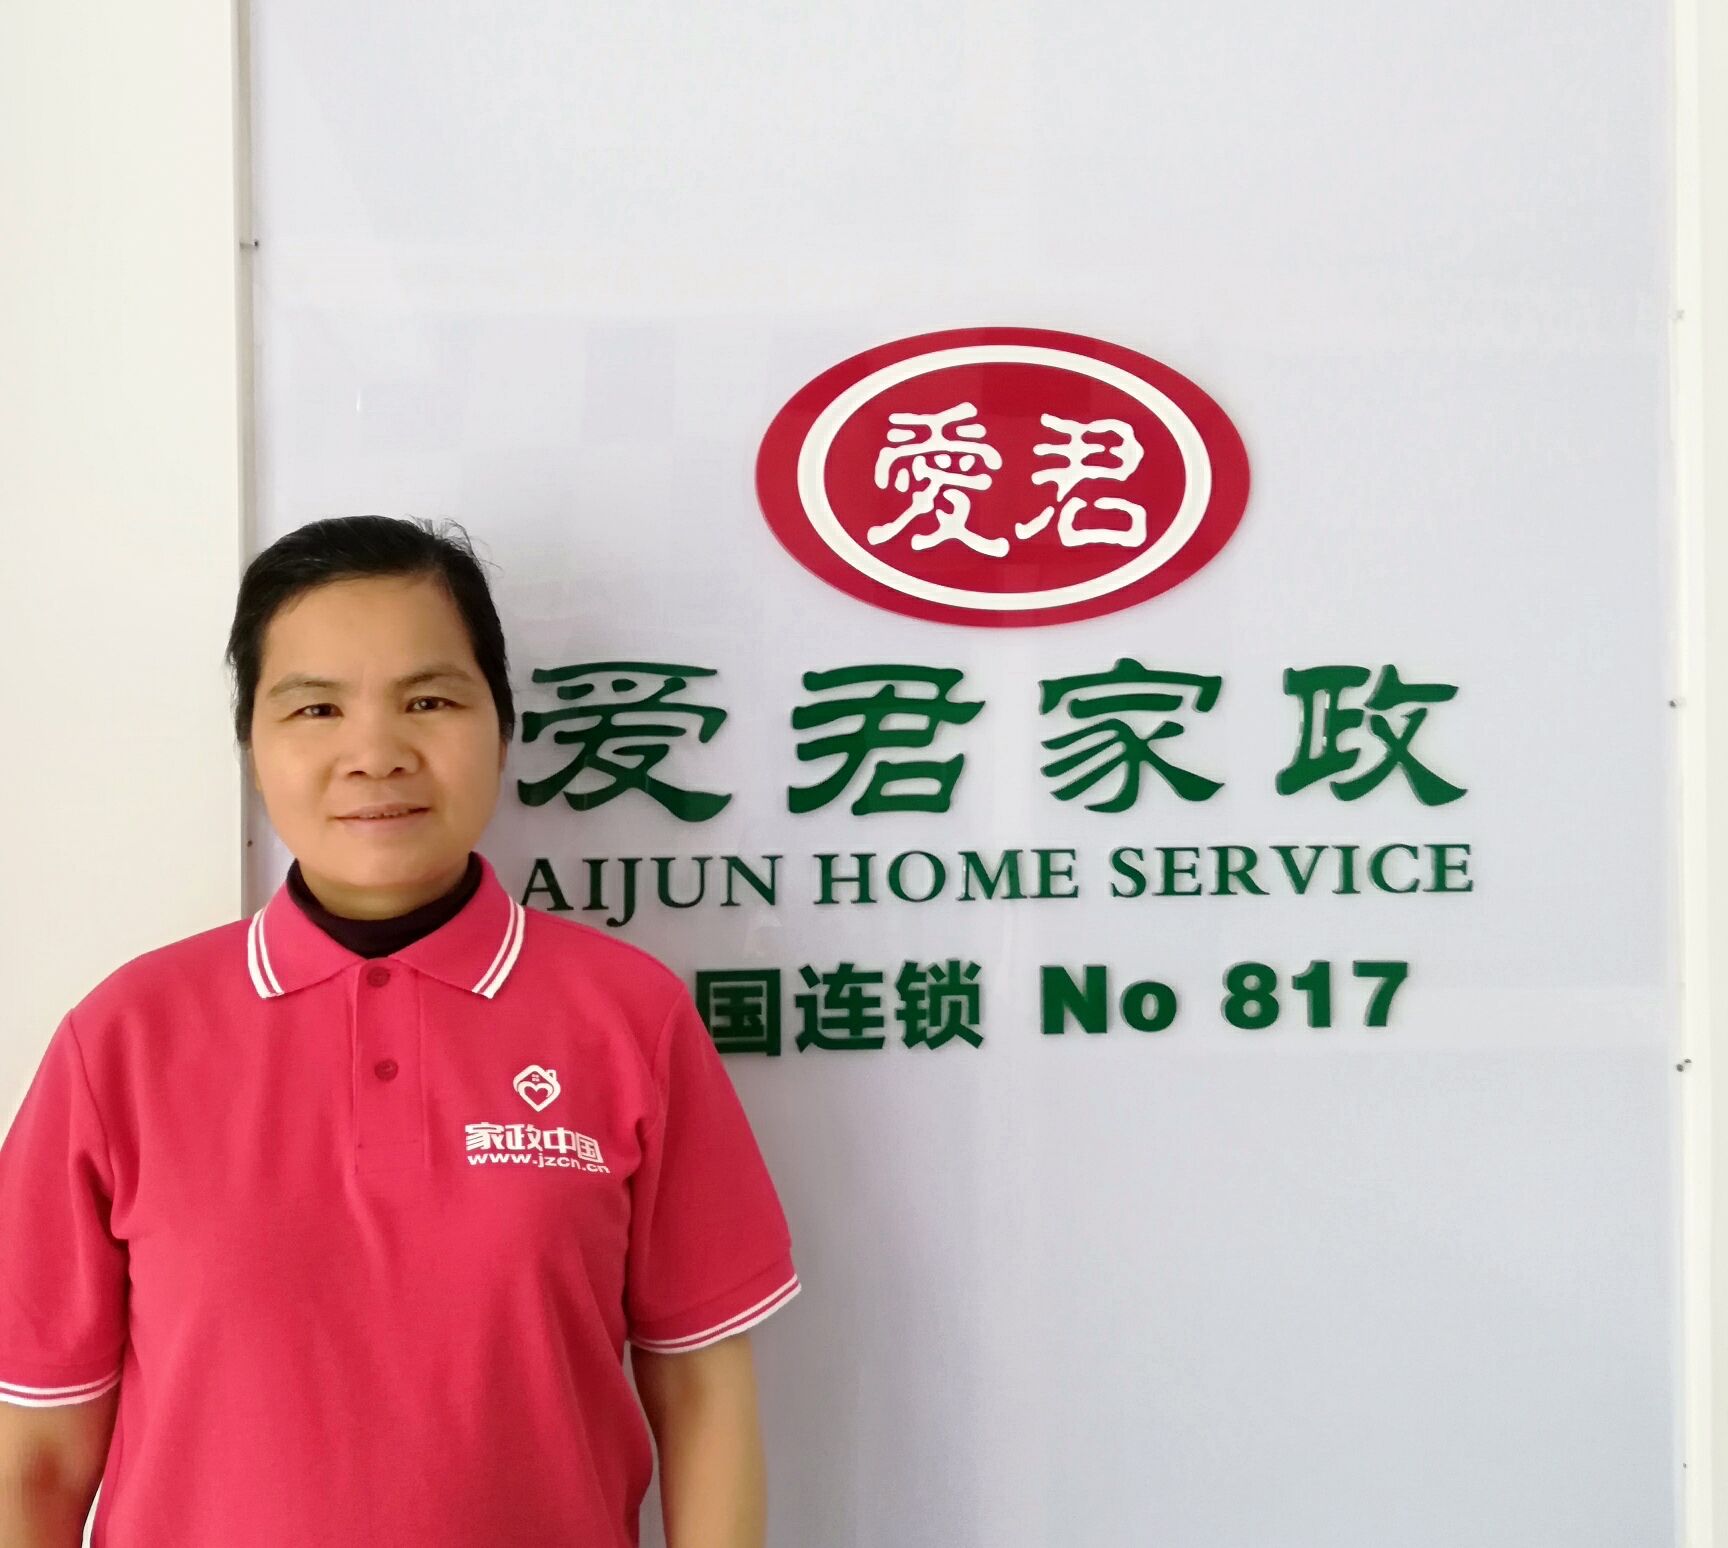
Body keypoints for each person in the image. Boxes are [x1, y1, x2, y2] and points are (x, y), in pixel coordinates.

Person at [0, 516, 799, 1547]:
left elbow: (701, 1398)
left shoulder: (629, 1018)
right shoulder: (123, 1040)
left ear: (502, 730)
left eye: (429, 701)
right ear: (252, 749)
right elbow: (37, 1457)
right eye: (316, 708)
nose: (375, 755)